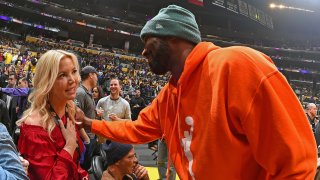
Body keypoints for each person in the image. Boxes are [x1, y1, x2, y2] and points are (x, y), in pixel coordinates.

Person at [77, 5, 317, 179]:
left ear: (173, 37)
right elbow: (136, 129)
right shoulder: (169, 96)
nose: (143, 53)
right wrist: (90, 123)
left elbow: (297, 163)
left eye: (149, 42)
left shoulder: (236, 65)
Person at [17, 50, 88, 179]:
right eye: (62, 75)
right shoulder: (34, 128)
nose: (72, 79)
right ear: (47, 81)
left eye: (74, 71)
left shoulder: (70, 111)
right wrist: (69, 147)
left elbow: (75, 166)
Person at [75, 65, 98, 170]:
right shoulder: (80, 92)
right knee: (81, 169)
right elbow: (76, 118)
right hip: (84, 139)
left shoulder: (87, 92)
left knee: (86, 168)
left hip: (90, 137)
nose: (97, 78)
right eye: (96, 75)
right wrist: (86, 139)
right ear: (91, 75)